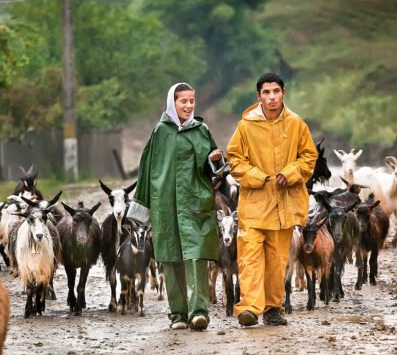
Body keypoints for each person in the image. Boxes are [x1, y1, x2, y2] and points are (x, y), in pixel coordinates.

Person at [127, 82, 223, 331]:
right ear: (173, 102)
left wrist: (216, 160)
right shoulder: (160, 132)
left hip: (195, 203)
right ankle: (178, 315)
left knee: (196, 257)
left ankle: (199, 312)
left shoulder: (202, 130)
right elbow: (147, 170)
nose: (189, 106)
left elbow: (216, 169)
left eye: (192, 101)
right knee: (170, 259)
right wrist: (144, 207)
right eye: (184, 101)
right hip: (166, 205)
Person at [226, 72, 317, 327]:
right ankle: (250, 309)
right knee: (250, 257)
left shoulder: (296, 124)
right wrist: (260, 177)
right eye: (266, 92)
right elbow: (235, 160)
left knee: (277, 260)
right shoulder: (246, 125)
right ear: (258, 97)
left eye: (276, 91)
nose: (272, 97)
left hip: (283, 205)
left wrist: (289, 174)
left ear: (283, 93)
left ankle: (272, 308)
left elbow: (309, 157)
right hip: (254, 203)